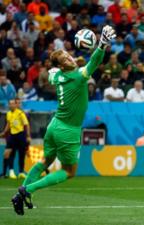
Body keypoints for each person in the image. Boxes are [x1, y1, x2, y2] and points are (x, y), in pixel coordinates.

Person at [11, 25, 116, 216]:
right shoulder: (77, 77)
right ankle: (27, 190)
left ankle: (21, 193)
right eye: (65, 59)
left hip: (54, 125)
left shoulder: (57, 75)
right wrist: (102, 44)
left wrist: (62, 63)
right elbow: (94, 62)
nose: (69, 58)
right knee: (69, 171)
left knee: (45, 160)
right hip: (68, 130)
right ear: (61, 65)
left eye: (68, 55)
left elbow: (54, 72)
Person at [0, 99, 31, 179]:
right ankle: (11, 171)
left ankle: (21, 172)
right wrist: (4, 132)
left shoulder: (20, 113)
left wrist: (28, 136)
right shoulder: (8, 114)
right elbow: (8, 124)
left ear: (16, 105)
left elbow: (26, 125)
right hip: (12, 135)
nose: (11, 105)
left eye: (13, 103)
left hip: (20, 135)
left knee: (22, 154)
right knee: (9, 153)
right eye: (10, 104)